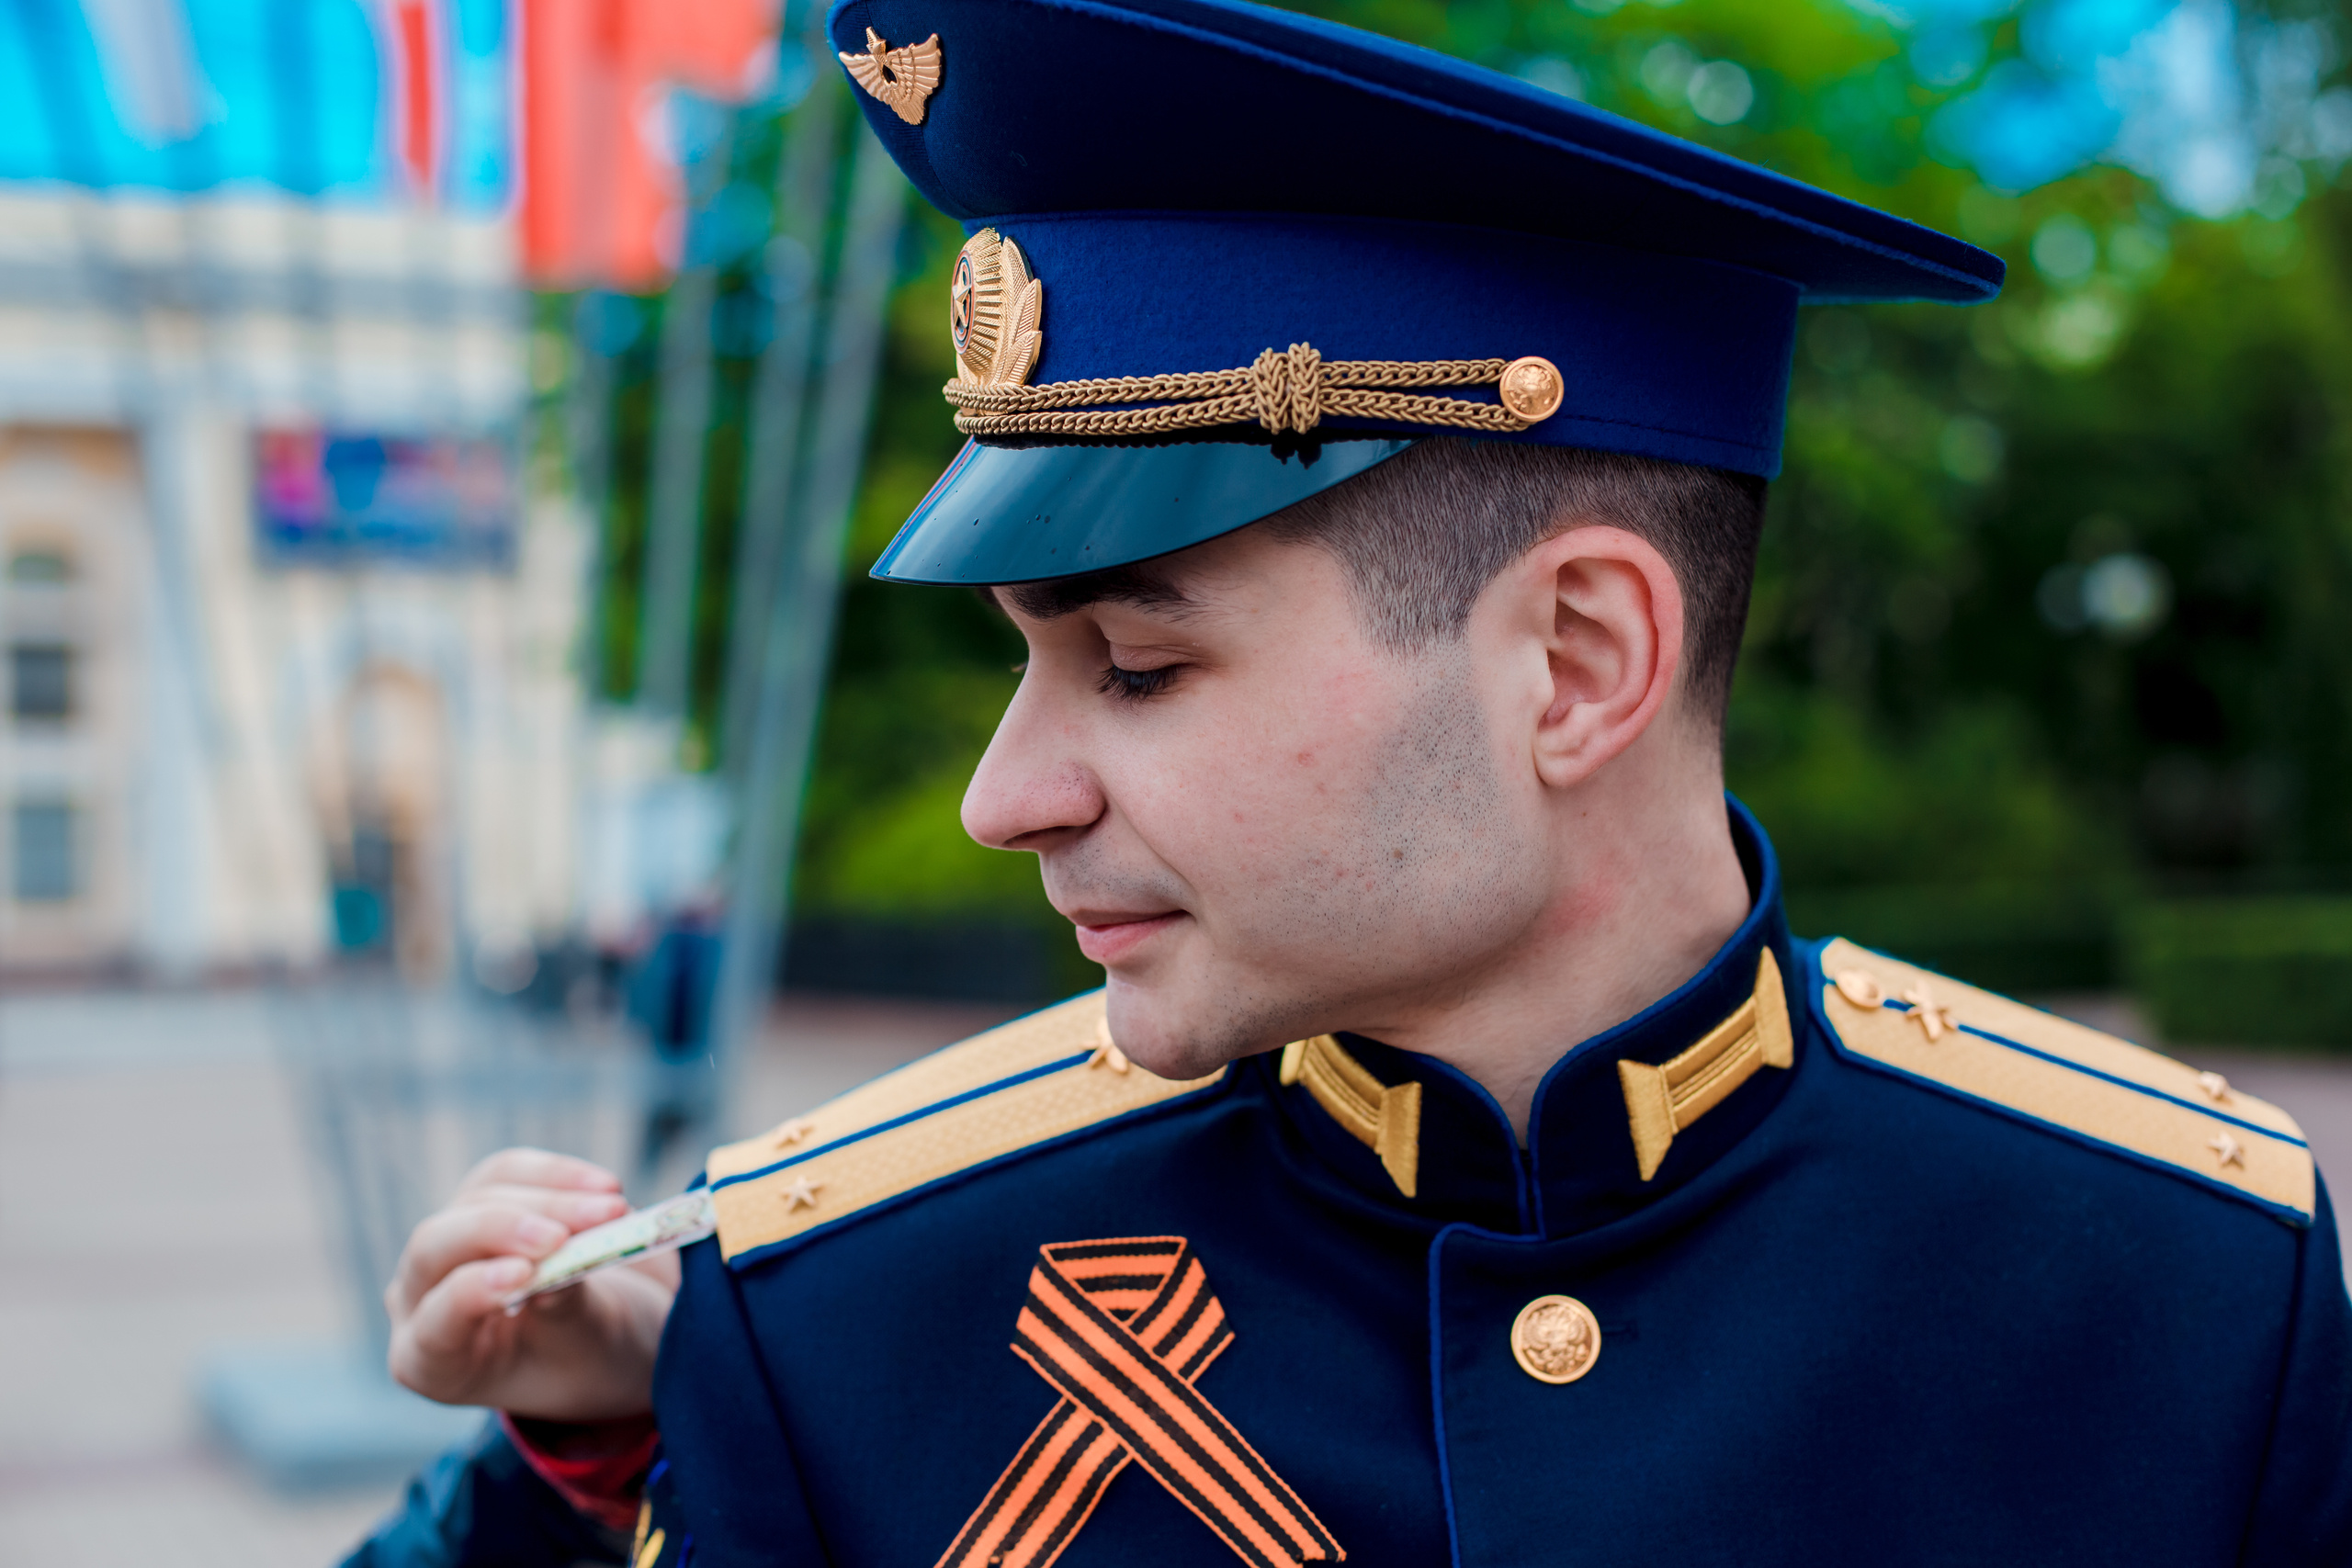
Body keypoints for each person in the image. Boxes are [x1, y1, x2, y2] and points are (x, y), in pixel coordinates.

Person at [350, 1, 2352, 1563]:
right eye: (1028, 662)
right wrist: (574, 1475)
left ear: (1576, 662)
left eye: (1131, 662)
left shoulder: (2178, 1284)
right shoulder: (838, 1304)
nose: (1002, 793)